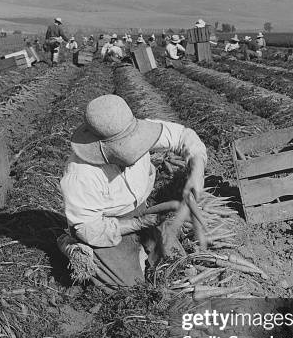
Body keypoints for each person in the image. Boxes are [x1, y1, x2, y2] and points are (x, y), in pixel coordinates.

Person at [59, 95, 207, 292]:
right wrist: (137, 224)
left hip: (141, 209)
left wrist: (196, 170)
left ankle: (141, 249)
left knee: (174, 264)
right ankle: (70, 245)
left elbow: (183, 136)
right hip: (104, 224)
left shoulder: (139, 130)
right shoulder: (80, 175)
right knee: (127, 287)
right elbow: (88, 229)